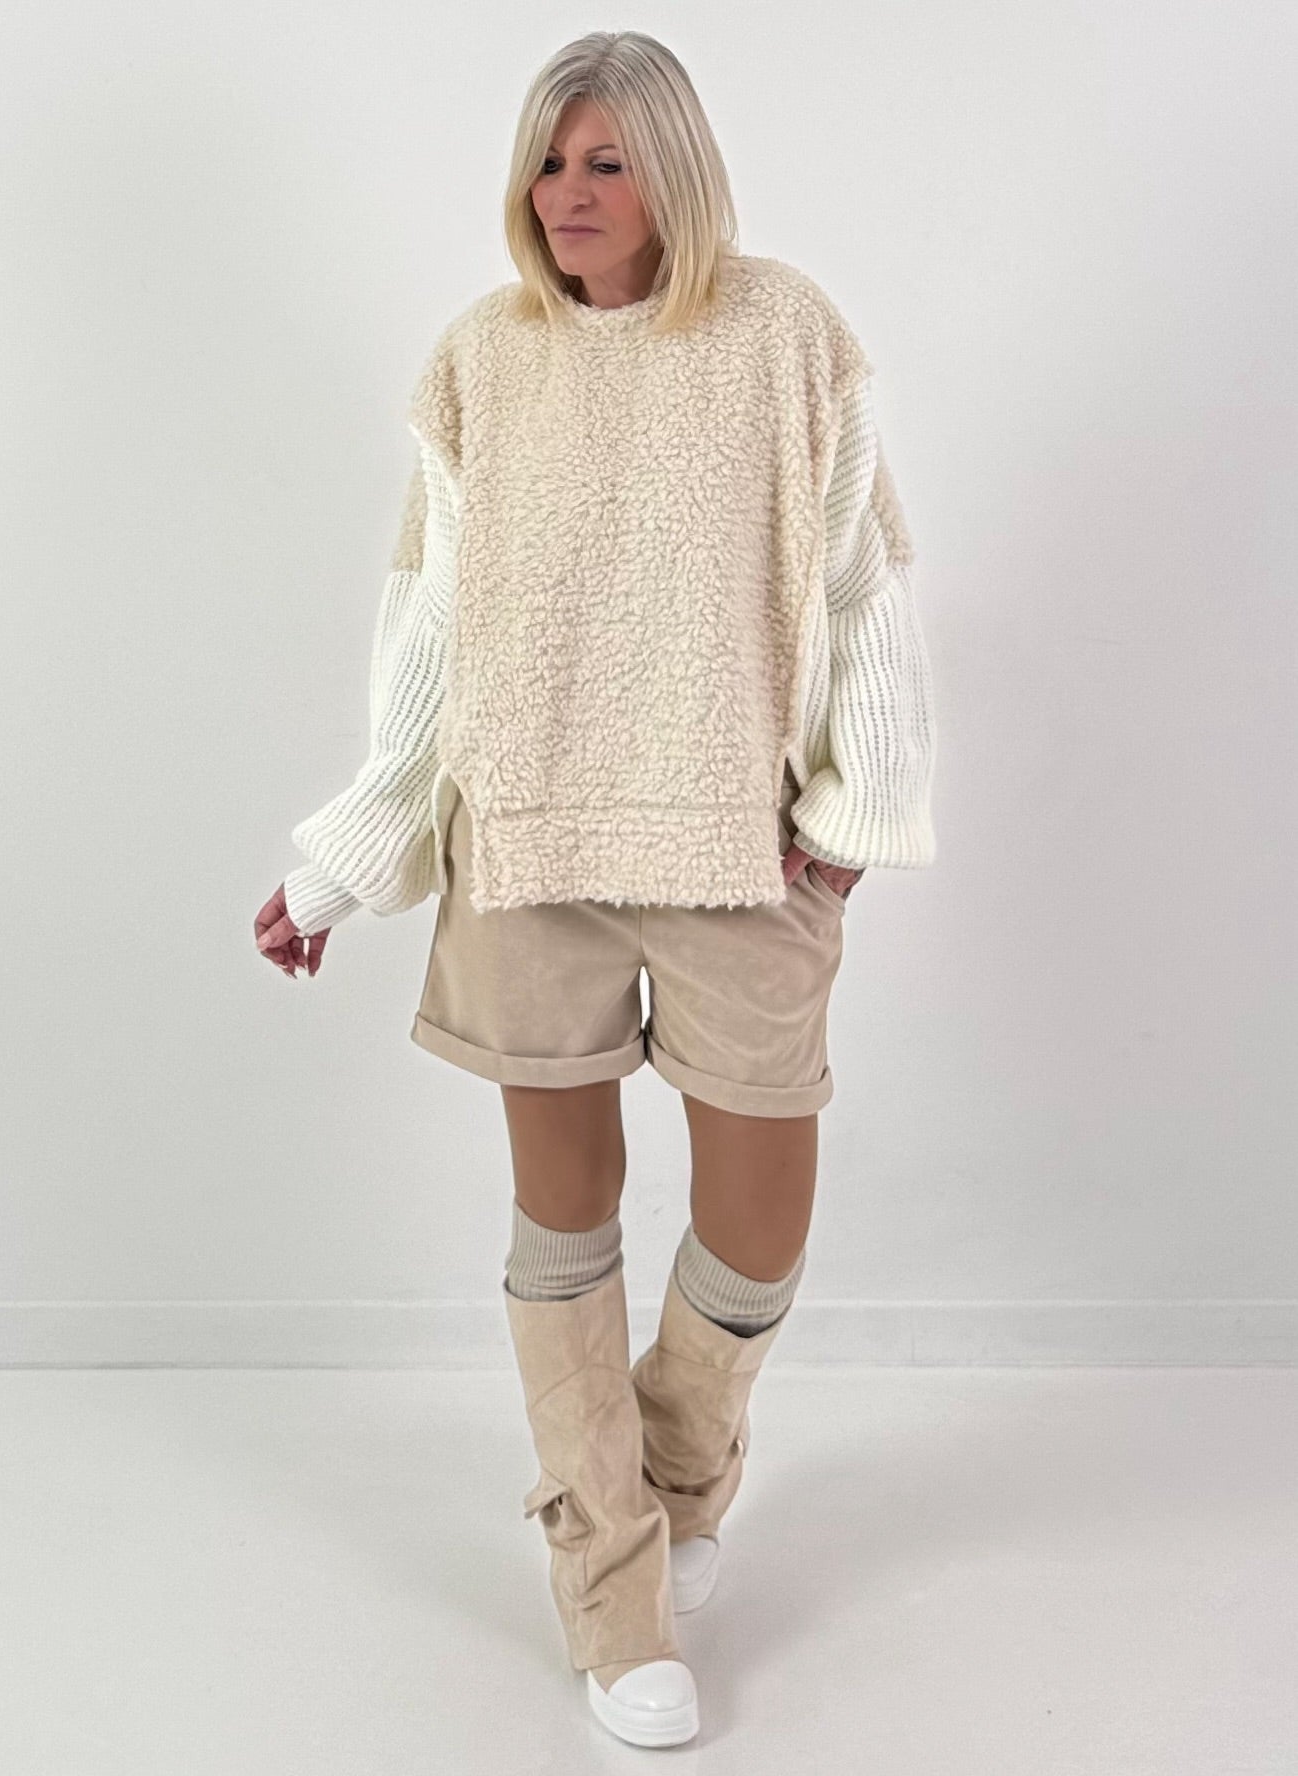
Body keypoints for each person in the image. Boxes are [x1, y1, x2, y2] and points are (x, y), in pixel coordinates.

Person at [254, 29, 936, 1750]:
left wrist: (858, 807)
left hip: (739, 847)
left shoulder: (786, 334)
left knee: (760, 1212)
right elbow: (431, 625)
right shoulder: (481, 359)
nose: (570, 193)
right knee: (564, 1219)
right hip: (528, 843)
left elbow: (864, 584)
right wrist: (346, 857)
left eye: (609, 160)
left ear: (675, 173)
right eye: (552, 161)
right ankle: (610, 1579)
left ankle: (673, 1473)